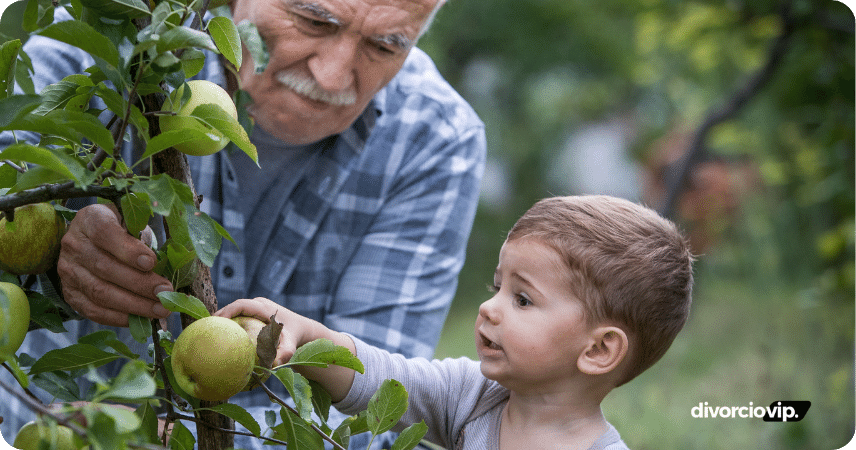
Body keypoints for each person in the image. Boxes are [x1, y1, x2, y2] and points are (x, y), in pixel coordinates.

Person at [0, 0, 485, 448]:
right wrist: (51, 241)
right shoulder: (92, 54)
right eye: (314, 20)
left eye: (385, 46)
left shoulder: (435, 139)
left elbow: (374, 418)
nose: (333, 76)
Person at [215, 195, 696, 450]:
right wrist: (301, 335)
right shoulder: (472, 397)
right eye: (497, 287)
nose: (490, 308)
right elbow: (381, 377)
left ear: (597, 351)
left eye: (523, 299)